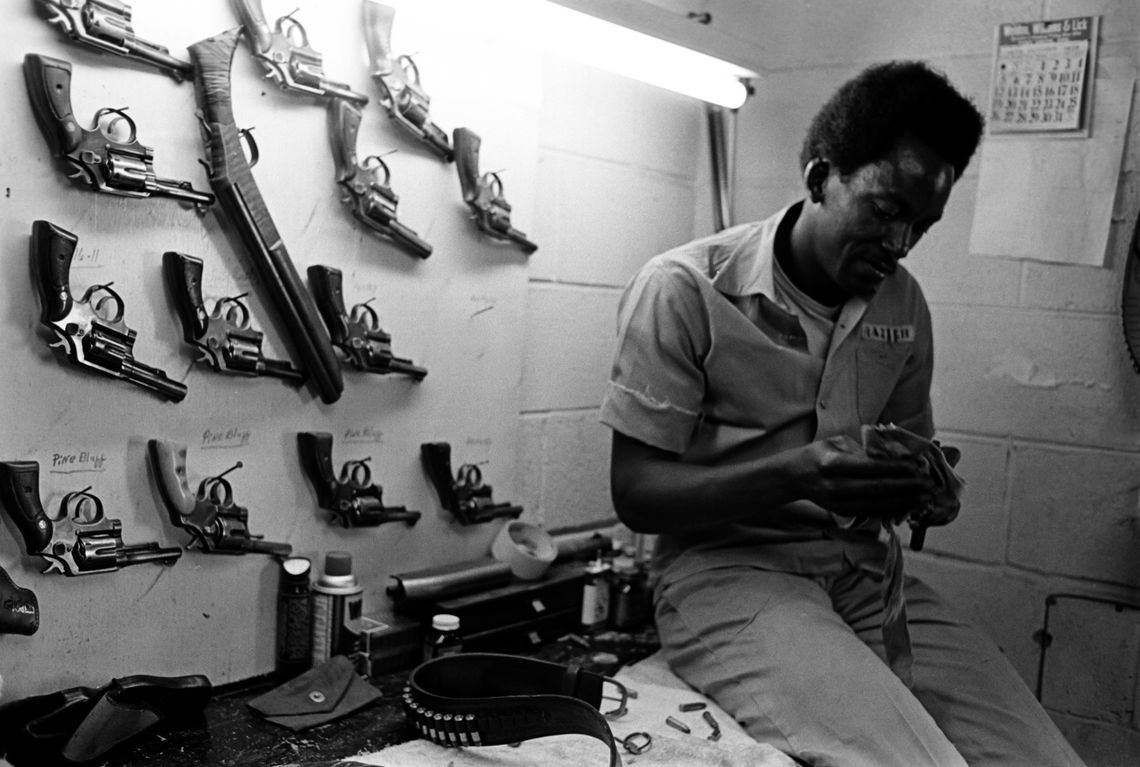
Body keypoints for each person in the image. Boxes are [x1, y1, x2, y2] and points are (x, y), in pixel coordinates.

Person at [600, 61, 1086, 767]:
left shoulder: (903, 304)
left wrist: (925, 489)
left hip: (862, 572)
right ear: (821, 176)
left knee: (1046, 759)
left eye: (922, 223)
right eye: (886, 210)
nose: (900, 245)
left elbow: (914, 456)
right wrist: (799, 472)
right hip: (728, 577)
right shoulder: (684, 289)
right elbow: (635, 494)